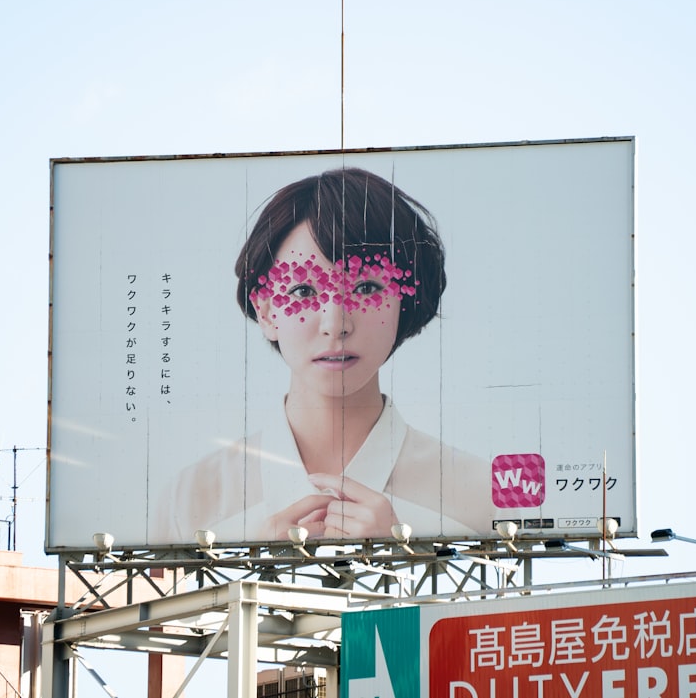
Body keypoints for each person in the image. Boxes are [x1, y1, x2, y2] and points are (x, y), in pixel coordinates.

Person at [158, 167, 492, 544]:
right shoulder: (188, 501)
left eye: (366, 287)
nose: (336, 323)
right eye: (303, 292)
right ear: (266, 312)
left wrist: (401, 553)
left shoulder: (479, 498)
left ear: (405, 302)